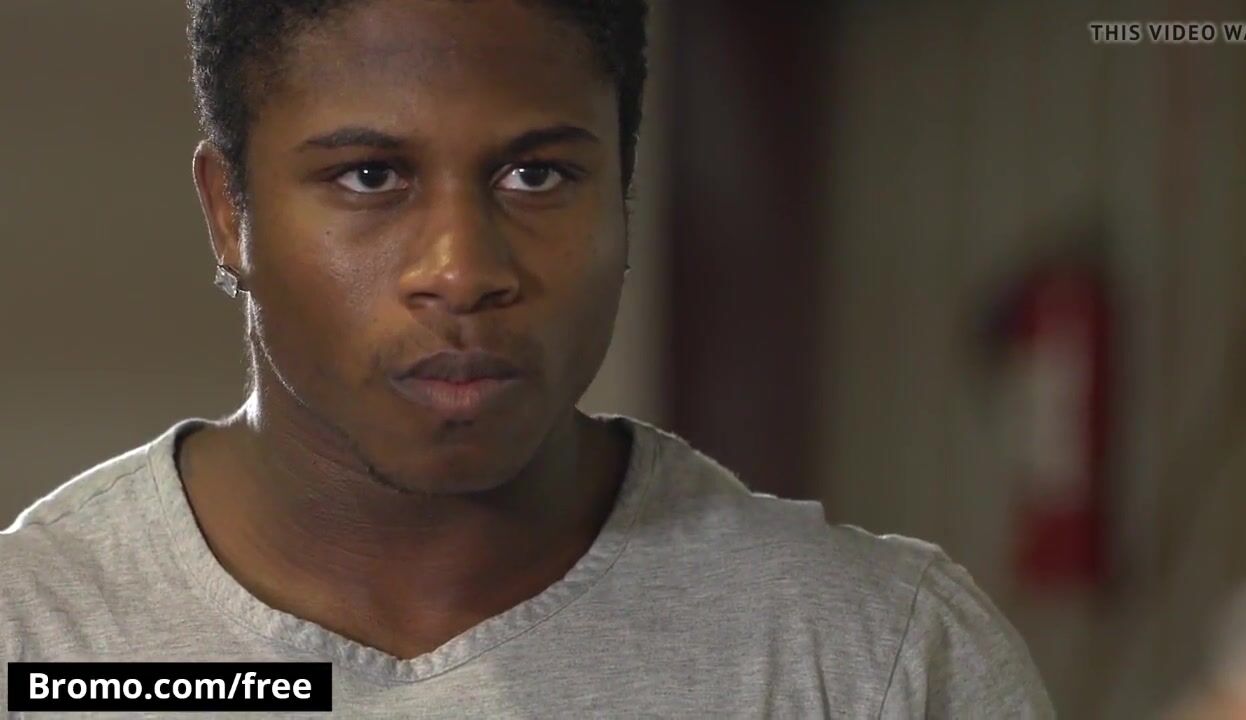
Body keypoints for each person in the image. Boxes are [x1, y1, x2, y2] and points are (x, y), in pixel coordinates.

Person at [0, 0, 1053, 716]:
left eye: (536, 176)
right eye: (370, 177)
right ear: (229, 213)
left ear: (623, 194)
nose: (462, 271)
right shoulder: (38, 641)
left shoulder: (873, 659)